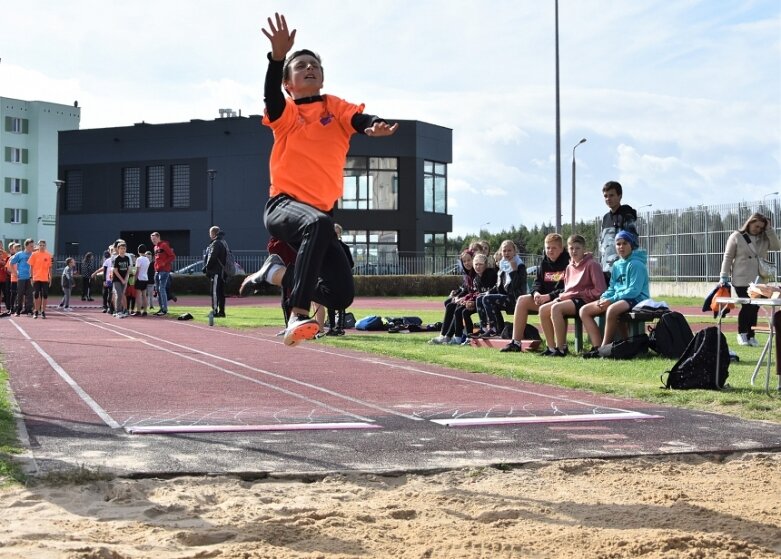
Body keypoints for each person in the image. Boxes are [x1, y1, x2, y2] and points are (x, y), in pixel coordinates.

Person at [239, 13, 398, 347]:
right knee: (320, 225)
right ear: (289, 84)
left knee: (341, 295)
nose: (309, 68)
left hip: (319, 216)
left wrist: (374, 125)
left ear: (322, 77)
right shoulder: (286, 114)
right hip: (282, 207)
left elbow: (359, 117)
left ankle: (276, 274)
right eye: (301, 66)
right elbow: (270, 95)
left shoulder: (334, 107)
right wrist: (278, 58)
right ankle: (298, 313)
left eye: (314, 65)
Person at [580, 230, 650, 357]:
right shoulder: (617, 264)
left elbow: (634, 290)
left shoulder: (636, 264)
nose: (621, 247)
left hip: (637, 298)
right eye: (618, 244)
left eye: (625, 243)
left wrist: (612, 299)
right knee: (584, 310)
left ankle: (603, 350)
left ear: (631, 245)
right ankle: (596, 346)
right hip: (619, 298)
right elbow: (613, 287)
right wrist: (605, 297)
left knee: (612, 310)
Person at [538, 235, 606, 356]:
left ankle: (561, 348)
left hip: (585, 300)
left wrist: (580, 293)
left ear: (584, 249)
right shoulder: (569, 267)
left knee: (556, 308)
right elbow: (568, 289)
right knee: (543, 310)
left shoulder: (592, 265)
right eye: (571, 248)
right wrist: (561, 296)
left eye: (577, 248)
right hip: (571, 299)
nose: (574, 251)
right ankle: (551, 348)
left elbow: (600, 291)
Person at [500, 234, 569, 353]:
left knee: (553, 307)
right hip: (544, 298)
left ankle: (558, 347)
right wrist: (536, 293)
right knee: (522, 300)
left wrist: (549, 296)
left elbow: (567, 288)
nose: (550, 251)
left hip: (561, 299)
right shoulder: (544, 263)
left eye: (554, 248)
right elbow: (537, 283)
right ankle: (516, 342)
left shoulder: (568, 263)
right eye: (548, 248)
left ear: (561, 249)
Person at [720, 212, 780, 346]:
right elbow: (728, 256)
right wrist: (723, 276)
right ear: (750, 222)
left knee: (755, 307)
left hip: (760, 279)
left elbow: (777, 246)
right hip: (741, 278)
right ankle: (742, 334)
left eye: (761, 227)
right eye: (756, 225)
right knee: (747, 305)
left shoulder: (764, 237)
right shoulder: (736, 236)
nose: (758, 229)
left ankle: (751, 335)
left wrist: (769, 230)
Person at [476, 240, 527, 338]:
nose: (507, 253)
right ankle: (484, 329)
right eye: (504, 251)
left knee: (487, 299)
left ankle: (494, 329)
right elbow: (499, 286)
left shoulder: (520, 266)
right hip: (505, 297)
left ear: (514, 252)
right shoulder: (503, 265)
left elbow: (517, 286)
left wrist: (514, 271)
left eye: (509, 250)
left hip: (515, 299)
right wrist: (487, 292)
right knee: (480, 298)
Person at [598, 181, 637, 282]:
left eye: (611, 195)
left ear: (620, 196)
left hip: (622, 269)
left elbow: (633, 241)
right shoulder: (605, 218)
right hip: (606, 270)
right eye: (605, 196)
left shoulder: (626, 215)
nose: (608, 199)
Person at [204, 226, 229, 318]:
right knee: (221, 292)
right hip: (222, 272)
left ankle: (214, 311)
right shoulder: (224, 242)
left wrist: (207, 267)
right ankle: (222, 311)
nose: (209, 235)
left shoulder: (216, 243)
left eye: (210, 233)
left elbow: (212, 257)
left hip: (216, 272)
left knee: (214, 292)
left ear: (213, 233)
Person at [150, 232, 175, 316]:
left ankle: (164, 309)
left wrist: (164, 263)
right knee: (157, 290)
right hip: (157, 270)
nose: (153, 241)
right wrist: (155, 267)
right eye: (152, 239)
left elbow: (172, 256)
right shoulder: (155, 247)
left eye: (154, 239)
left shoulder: (164, 245)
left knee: (161, 288)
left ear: (158, 237)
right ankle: (161, 308)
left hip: (164, 270)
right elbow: (157, 259)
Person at [10, 239, 35, 317]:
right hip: (21, 277)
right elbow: (11, 263)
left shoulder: (33, 255)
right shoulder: (19, 254)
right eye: (31, 246)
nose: (32, 247)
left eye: (33, 246)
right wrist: (15, 273)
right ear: (26, 246)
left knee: (30, 294)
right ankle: (18, 310)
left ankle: (29, 310)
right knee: (20, 294)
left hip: (30, 278)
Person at [112, 242, 131, 318]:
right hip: (117, 279)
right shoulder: (117, 259)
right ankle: (118, 311)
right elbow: (115, 270)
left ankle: (123, 310)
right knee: (119, 294)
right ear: (118, 249)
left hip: (124, 279)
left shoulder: (127, 258)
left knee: (122, 294)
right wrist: (121, 279)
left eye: (124, 248)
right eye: (121, 249)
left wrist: (126, 279)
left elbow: (128, 269)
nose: (123, 250)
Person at [135, 245, 151, 316]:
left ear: (138, 251)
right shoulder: (147, 259)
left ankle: (138, 310)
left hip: (139, 278)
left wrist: (135, 279)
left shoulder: (139, 259)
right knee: (144, 295)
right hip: (145, 278)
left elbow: (137, 270)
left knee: (138, 295)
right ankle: (145, 311)